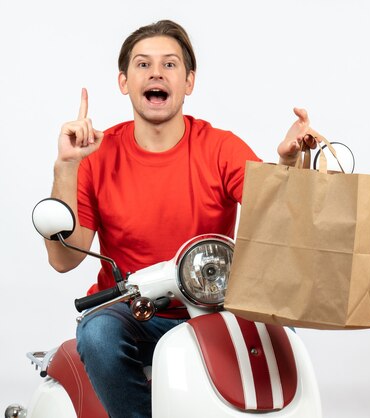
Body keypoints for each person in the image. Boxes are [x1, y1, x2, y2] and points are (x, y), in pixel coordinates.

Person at [44, 19, 318, 418]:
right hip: (133, 312)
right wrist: (66, 167)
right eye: (143, 64)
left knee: (282, 337)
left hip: (216, 308)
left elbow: (277, 220)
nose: (156, 72)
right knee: (97, 333)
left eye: (170, 65)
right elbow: (63, 259)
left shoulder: (220, 147)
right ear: (124, 81)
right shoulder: (97, 156)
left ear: (189, 82)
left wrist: (287, 163)